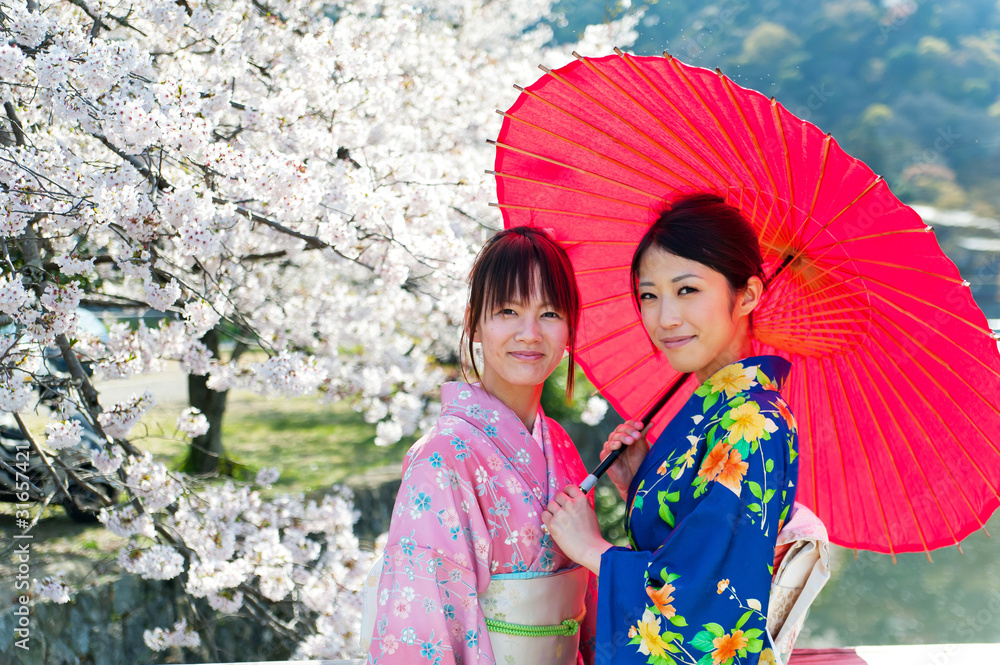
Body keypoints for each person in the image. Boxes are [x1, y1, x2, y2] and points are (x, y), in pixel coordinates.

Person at [541, 193, 798, 665]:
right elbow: (695, 535)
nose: (665, 319)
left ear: (748, 296)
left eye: (687, 290)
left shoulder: (752, 423)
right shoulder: (718, 410)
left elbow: (710, 590)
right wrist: (640, 481)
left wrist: (593, 550)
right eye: (649, 295)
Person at [365, 226, 597, 665]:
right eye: (508, 311)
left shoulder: (561, 447)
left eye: (550, 313)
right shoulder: (443, 456)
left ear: (570, 328)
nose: (530, 333)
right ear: (473, 322)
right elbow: (419, 624)